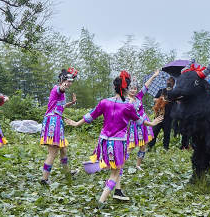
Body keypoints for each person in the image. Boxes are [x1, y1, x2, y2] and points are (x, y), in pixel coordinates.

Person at [67, 71, 163, 205]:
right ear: (126, 89)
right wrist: (152, 123)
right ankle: (101, 201)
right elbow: (139, 121)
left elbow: (90, 116)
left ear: (114, 87)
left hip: (103, 141)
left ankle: (117, 191)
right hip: (118, 143)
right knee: (116, 172)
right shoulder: (128, 106)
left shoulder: (104, 102)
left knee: (116, 167)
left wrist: (76, 123)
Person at [39, 68, 78, 184]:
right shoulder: (57, 89)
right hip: (53, 122)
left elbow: (60, 106)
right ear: (63, 80)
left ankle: (67, 172)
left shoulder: (60, 93)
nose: (70, 83)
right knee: (53, 152)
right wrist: (63, 86)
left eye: (71, 81)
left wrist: (71, 103)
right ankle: (44, 179)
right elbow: (60, 89)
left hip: (56, 121)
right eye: (68, 81)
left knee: (64, 149)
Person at [126, 70, 160, 171]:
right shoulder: (126, 100)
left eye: (135, 89)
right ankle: (120, 165)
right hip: (134, 124)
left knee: (143, 145)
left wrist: (153, 76)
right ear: (127, 89)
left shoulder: (138, 97)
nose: (133, 90)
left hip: (144, 123)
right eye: (131, 88)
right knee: (130, 147)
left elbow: (146, 86)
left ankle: (138, 165)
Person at [148, 76, 176, 150]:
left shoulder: (174, 92)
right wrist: (161, 99)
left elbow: (177, 102)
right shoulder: (161, 90)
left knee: (167, 133)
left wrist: (169, 100)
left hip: (168, 117)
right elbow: (154, 99)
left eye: (171, 81)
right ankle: (150, 147)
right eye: (168, 80)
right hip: (159, 115)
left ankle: (165, 148)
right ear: (166, 81)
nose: (169, 82)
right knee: (154, 131)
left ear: (174, 83)